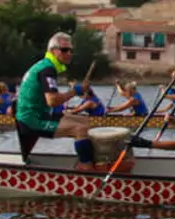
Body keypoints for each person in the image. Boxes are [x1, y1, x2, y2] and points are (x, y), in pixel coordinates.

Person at [14, 33, 112, 171]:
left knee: (86, 122)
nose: (69, 53)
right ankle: (87, 169)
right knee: (80, 129)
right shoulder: (47, 69)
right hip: (31, 120)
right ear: (52, 51)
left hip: (39, 114)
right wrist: (75, 91)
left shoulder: (46, 65)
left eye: (71, 50)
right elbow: (52, 101)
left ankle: (92, 161)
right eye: (64, 50)